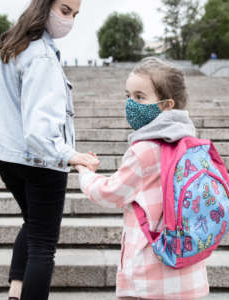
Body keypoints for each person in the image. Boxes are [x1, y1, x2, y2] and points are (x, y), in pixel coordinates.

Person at [0, 0, 99, 299]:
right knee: (43, 247)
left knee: (32, 224)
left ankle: (15, 289)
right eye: (64, 10)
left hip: (9, 158)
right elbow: (39, 129)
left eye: (74, 14)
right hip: (41, 161)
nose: (70, 20)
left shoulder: (12, 48)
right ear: (44, 5)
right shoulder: (42, 56)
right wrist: (70, 155)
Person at [76, 57, 210, 300]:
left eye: (140, 97)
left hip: (150, 274)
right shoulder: (190, 146)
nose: (130, 104)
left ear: (167, 105)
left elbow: (110, 193)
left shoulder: (145, 150)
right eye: (128, 96)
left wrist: (86, 173)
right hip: (187, 270)